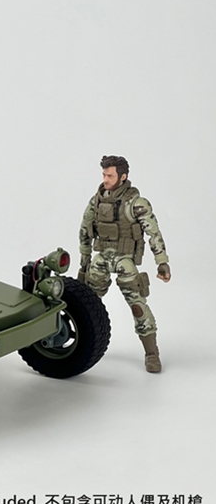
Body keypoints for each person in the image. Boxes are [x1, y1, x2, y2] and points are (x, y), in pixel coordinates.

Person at [78, 156, 170, 373]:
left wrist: (162, 263)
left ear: (123, 176)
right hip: (101, 259)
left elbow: (153, 233)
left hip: (124, 260)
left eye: (110, 175)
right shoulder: (96, 200)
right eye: (104, 175)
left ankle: (151, 353)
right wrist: (85, 261)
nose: (105, 179)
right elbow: (85, 230)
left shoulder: (136, 203)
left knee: (137, 306)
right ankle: (79, 345)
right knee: (84, 304)